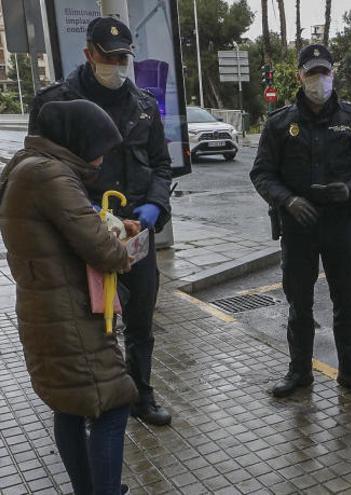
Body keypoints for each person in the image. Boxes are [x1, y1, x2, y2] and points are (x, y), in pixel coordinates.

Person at [28, 17, 173, 426]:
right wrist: (91, 216)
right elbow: (43, 170)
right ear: (89, 53)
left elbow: (161, 165)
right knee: (93, 327)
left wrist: (156, 207)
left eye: (122, 57)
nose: (115, 64)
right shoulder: (55, 102)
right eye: (107, 56)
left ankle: (141, 394)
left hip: (136, 236)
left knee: (142, 320)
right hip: (85, 237)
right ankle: (97, 403)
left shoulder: (144, 104)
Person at [0, 100, 139, 495]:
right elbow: (103, 251)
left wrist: (107, 223)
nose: (99, 159)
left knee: (70, 406)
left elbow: (69, 229)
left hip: (46, 310)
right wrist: (125, 243)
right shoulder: (51, 176)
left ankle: (87, 489)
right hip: (70, 317)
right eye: (95, 148)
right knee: (111, 406)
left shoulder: (27, 168)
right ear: (75, 141)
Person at [251, 44, 351, 400]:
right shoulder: (280, 123)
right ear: (299, 76)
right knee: (299, 303)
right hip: (298, 227)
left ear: (332, 74)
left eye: (324, 72)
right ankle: (299, 372)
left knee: (345, 301)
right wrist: (287, 200)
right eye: (311, 73)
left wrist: (350, 190)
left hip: (339, 224)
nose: (318, 80)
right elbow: (262, 174)